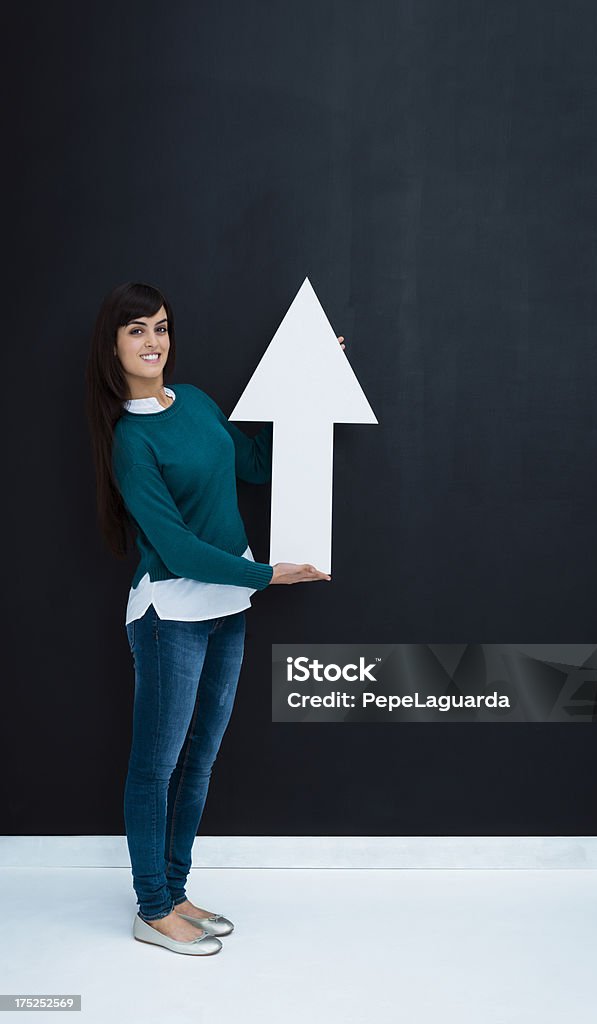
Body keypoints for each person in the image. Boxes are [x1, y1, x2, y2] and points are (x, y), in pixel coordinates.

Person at [85, 280, 344, 955]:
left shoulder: (195, 402)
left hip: (227, 609)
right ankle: (151, 907)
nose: (153, 342)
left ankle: (176, 890)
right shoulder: (129, 442)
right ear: (113, 346)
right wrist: (269, 573)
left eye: (162, 327)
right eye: (137, 330)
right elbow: (174, 546)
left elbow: (253, 463)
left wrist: (312, 389)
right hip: (171, 615)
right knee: (156, 766)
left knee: (199, 762)